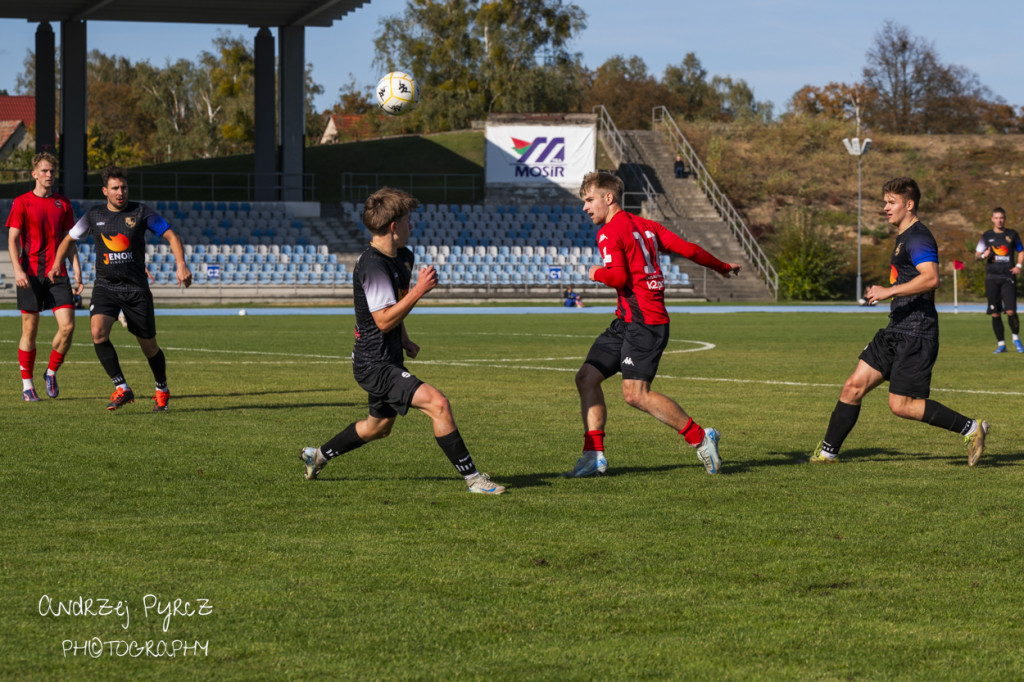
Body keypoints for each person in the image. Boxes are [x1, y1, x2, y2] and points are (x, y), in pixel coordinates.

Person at [299, 187, 505, 494]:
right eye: (409, 220)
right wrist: (419, 290)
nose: (413, 226)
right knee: (438, 404)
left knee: (378, 428)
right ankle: (474, 480)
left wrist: (405, 338)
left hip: (389, 357)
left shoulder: (403, 257)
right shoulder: (373, 265)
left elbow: (393, 306)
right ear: (394, 227)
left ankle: (316, 456)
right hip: (374, 363)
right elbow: (382, 320)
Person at [567, 171, 741, 478]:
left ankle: (701, 437)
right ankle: (593, 455)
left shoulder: (608, 232)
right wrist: (722, 267)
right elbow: (688, 249)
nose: (585, 207)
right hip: (626, 321)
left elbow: (618, 278)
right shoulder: (647, 226)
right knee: (586, 377)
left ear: (609, 198)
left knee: (636, 394)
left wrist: (595, 273)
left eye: (589, 200)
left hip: (645, 322)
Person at [811, 177, 989, 466]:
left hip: (917, 332)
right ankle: (826, 455)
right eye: (884, 202)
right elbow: (911, 277)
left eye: (891, 202)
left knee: (901, 405)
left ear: (909, 204)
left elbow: (931, 278)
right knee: (852, 386)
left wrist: (888, 291)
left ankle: (971, 428)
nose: (885, 208)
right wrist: (886, 291)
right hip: (896, 328)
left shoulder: (919, 236)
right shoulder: (903, 238)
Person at [49, 164, 192, 411]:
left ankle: (162, 388)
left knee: (148, 346)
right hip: (106, 286)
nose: (120, 192)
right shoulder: (93, 216)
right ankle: (122, 388)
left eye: (124, 187)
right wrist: (55, 264)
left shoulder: (141, 212)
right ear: (105, 190)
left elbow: (170, 235)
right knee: (97, 332)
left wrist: (181, 264)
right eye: (115, 188)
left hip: (136, 289)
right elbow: (69, 239)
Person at [5, 152, 83, 401]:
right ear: (34, 174)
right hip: (30, 274)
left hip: (57, 273)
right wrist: (17, 269)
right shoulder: (21, 202)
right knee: (30, 330)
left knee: (68, 327)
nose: (49, 175)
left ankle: (50, 372)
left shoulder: (64, 203)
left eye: (52, 171)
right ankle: (27, 385)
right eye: (45, 171)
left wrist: (78, 269)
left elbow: (69, 240)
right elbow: (13, 239)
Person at [974, 207, 1023, 353]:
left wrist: (1019, 266)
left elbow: (1021, 251)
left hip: (1008, 277)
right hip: (991, 278)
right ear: (992, 219)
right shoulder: (986, 235)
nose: (999, 220)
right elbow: (976, 255)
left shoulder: (1012, 234)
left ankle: (1016, 339)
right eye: (996, 218)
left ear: (1005, 218)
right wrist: (984, 255)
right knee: (995, 313)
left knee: (1010, 311)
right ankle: (1001, 344)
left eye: (1001, 217)